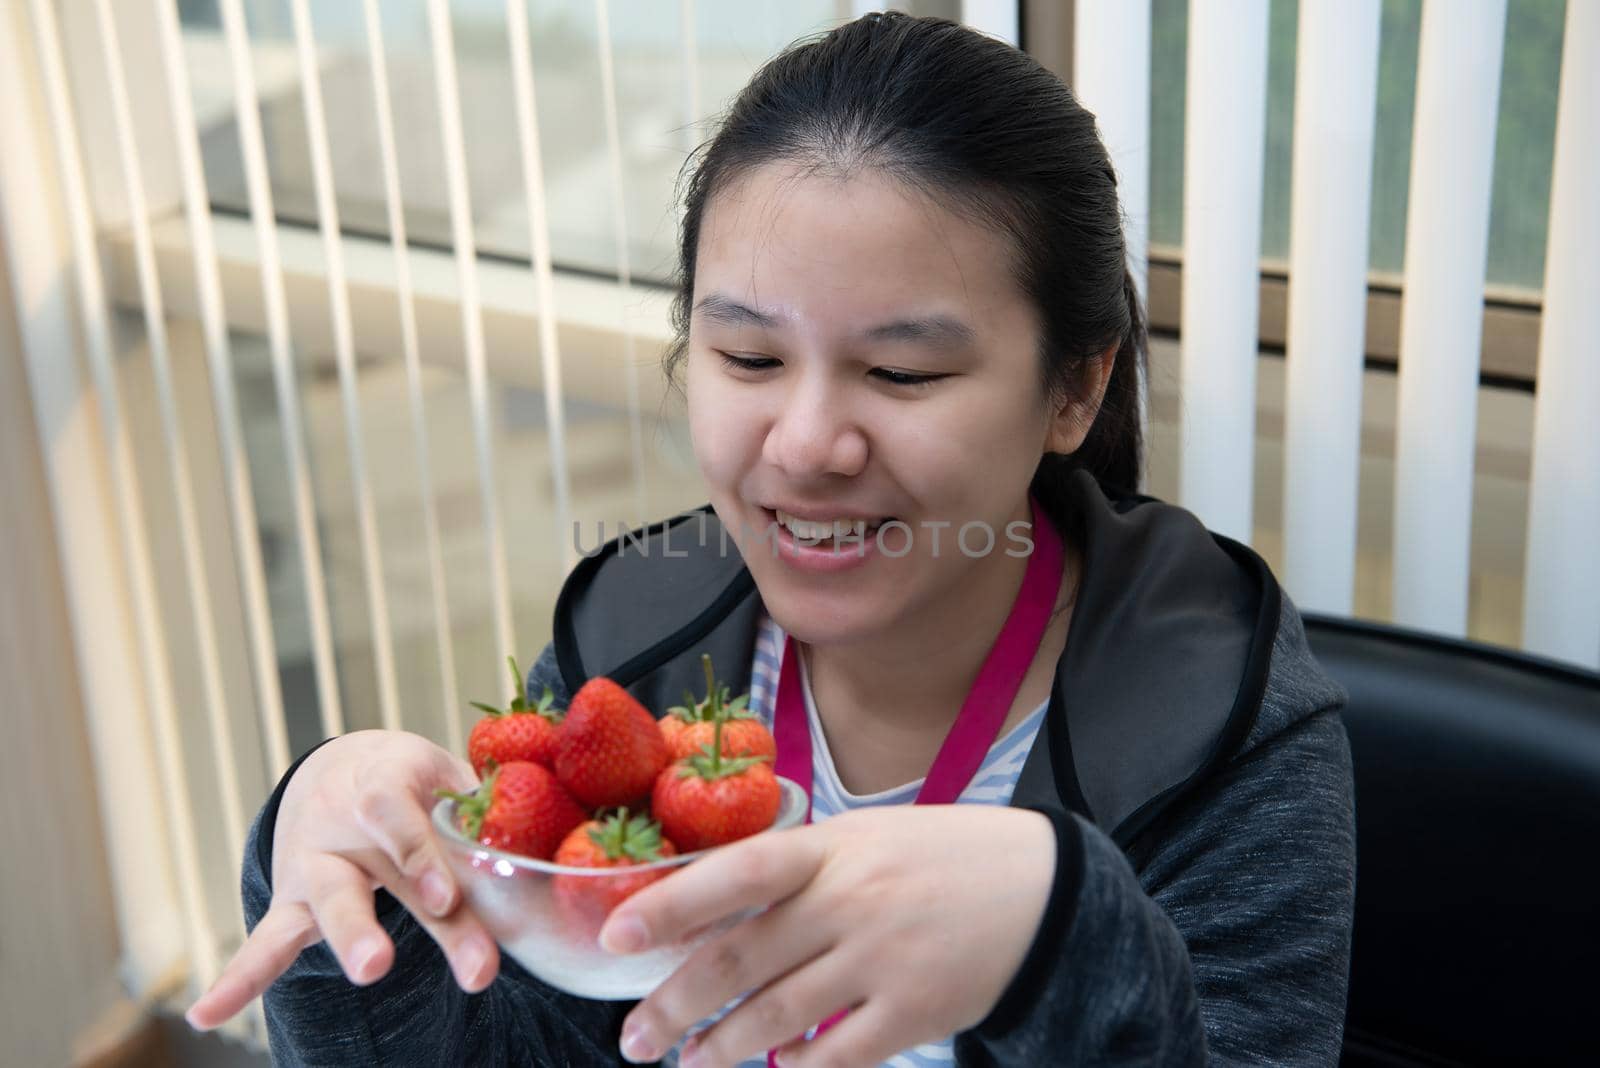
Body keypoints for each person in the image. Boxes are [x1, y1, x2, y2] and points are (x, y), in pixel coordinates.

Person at [186, 12, 1355, 1067]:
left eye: (900, 371)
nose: (803, 445)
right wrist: (356, 891)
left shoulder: (1225, 729)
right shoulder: (629, 654)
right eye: (747, 358)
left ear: (1074, 390)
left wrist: (1066, 944)